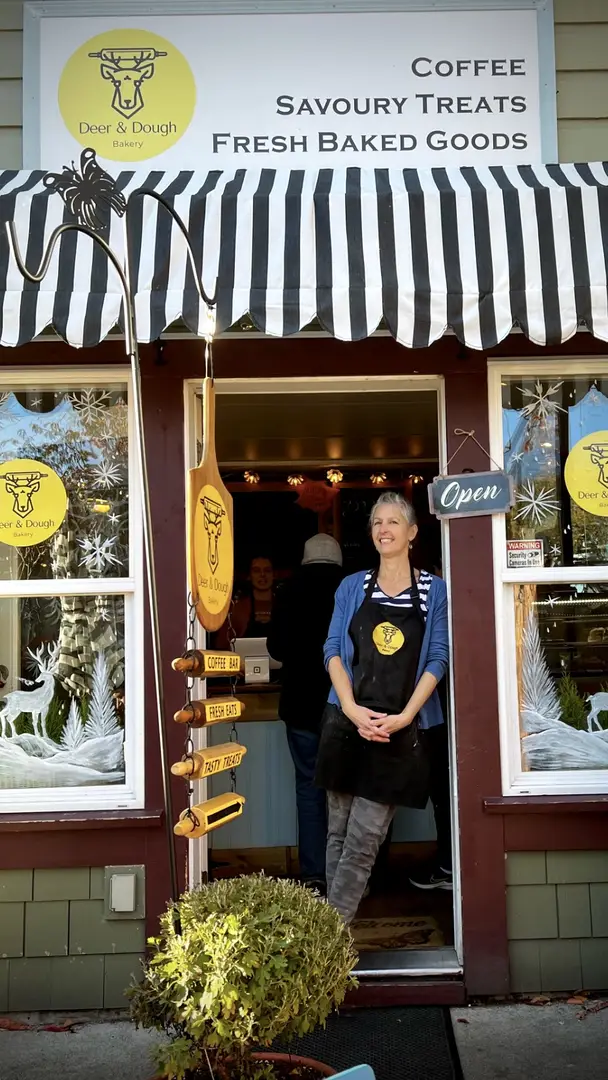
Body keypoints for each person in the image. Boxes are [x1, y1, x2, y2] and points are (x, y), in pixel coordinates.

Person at [315, 491, 449, 925]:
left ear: (411, 533)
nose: (384, 529)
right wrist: (352, 710)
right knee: (336, 832)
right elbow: (332, 649)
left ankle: (329, 938)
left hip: (401, 728)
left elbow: (438, 658)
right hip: (347, 721)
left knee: (364, 838)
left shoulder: (435, 590)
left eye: (393, 522)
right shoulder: (352, 586)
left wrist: (406, 716)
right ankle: (332, 937)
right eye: (377, 522)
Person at [267, 534, 343, 893]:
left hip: (299, 705)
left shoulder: (288, 591)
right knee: (345, 789)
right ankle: (346, 873)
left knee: (309, 787)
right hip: (344, 705)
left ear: (305, 559)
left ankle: (314, 874)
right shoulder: (352, 589)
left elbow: (276, 648)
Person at [216, 555, 276, 647]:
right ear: (249, 576)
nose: (262, 575)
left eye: (267, 570)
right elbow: (222, 645)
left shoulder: (285, 605)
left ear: (273, 575)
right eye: (256, 571)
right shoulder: (236, 608)